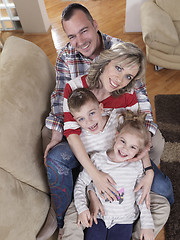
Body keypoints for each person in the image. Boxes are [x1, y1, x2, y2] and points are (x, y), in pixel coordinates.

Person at [38, 3, 172, 240]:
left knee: (164, 191)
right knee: (56, 154)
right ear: (105, 62)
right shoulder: (75, 84)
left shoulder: (127, 84)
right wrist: (93, 181)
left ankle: (134, 226)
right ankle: (61, 217)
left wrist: (148, 169)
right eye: (117, 69)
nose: (120, 79)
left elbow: (139, 126)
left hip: (122, 158)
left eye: (127, 75)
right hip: (94, 158)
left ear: (95, 25)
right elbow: (63, 106)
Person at [74, 109, 155, 240]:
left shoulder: (136, 166)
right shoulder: (97, 159)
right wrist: (82, 209)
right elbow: (81, 183)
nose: (125, 149)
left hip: (124, 220)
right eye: (123, 141)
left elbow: (142, 195)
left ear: (139, 152)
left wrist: (147, 225)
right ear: (116, 136)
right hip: (98, 217)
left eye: (133, 147)